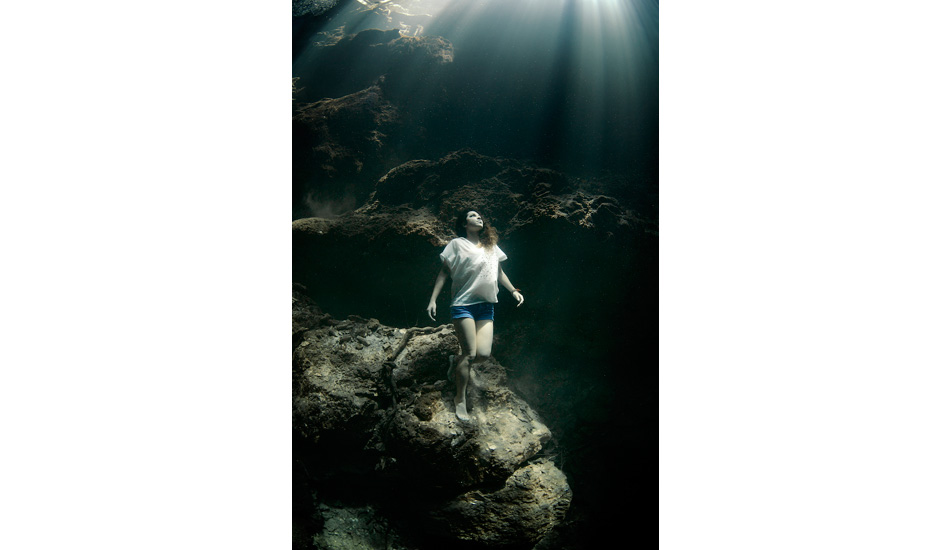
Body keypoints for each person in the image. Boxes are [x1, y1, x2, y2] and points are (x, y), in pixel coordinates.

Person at [427, 210, 524, 422]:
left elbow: (498, 272)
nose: (479, 217)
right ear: (464, 223)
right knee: (470, 354)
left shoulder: (490, 246)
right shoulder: (456, 244)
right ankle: (459, 399)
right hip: (463, 305)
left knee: (483, 355)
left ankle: (456, 361)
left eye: (480, 216)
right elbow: (444, 272)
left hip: (486, 306)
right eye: (473, 215)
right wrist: (433, 299)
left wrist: (513, 290)